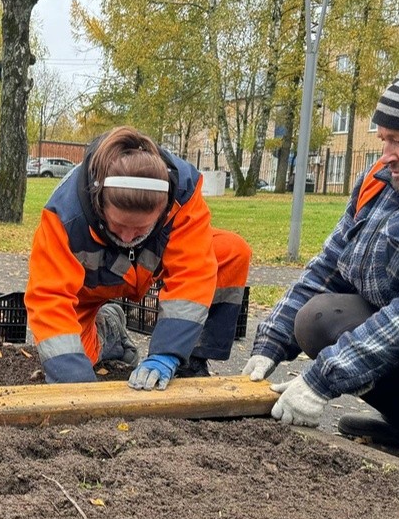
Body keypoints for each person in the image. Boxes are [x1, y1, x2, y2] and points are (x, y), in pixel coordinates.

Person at [242, 61, 399, 454]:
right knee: (318, 317)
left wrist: (323, 378)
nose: (386, 154)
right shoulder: (389, 176)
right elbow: (330, 266)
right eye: (384, 138)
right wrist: (271, 339)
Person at [25, 126, 252, 389]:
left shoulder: (183, 196)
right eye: (119, 226)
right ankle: (110, 331)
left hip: (149, 268)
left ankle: (191, 361)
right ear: (100, 203)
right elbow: (49, 299)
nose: (129, 236)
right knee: (73, 357)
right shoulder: (63, 217)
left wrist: (169, 353)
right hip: (89, 287)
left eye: (142, 228)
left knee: (232, 251)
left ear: (164, 206)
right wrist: (76, 385)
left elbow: (193, 273)